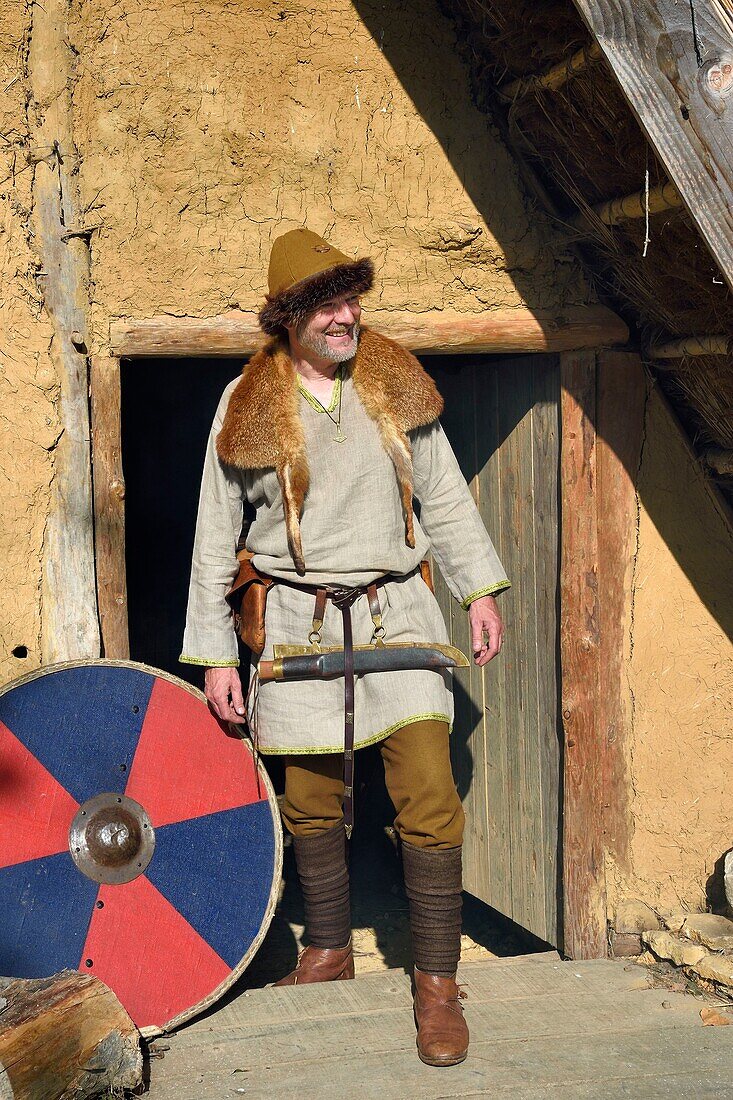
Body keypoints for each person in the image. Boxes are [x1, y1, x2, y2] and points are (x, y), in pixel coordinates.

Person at [180, 227, 510, 1067]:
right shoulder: (246, 401)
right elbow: (214, 537)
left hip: (397, 610)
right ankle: (328, 951)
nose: (345, 315)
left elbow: (441, 493)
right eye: (326, 303)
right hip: (297, 623)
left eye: (351, 297)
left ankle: (435, 984)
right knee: (311, 802)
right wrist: (217, 652)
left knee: (428, 792)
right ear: (289, 316)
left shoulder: (391, 380)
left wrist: (478, 589)